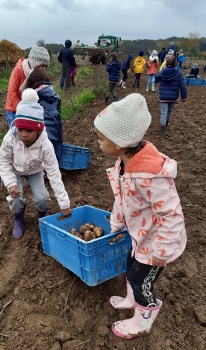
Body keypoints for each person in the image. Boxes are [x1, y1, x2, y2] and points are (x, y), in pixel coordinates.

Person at [93, 93, 186, 339]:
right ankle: (131, 300)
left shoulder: (149, 176)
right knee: (130, 267)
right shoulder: (123, 165)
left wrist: (162, 250)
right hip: (140, 236)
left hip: (157, 243)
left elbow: (171, 213)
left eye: (102, 138)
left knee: (141, 280)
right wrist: (115, 222)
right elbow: (121, 199)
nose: (98, 142)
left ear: (120, 143)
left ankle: (144, 317)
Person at [0, 88, 71, 239]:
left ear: (39, 129)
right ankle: (18, 218)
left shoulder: (45, 145)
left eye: (29, 131)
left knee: (42, 198)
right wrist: (11, 183)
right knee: (15, 199)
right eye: (21, 129)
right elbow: (3, 159)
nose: (23, 134)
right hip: (15, 170)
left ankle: (42, 213)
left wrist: (64, 204)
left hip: (35, 170)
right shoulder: (11, 138)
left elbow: (54, 173)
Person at [5, 40, 50, 127]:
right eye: (43, 66)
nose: (44, 69)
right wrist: (21, 109)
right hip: (14, 109)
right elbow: (12, 91)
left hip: (28, 109)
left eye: (46, 66)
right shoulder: (19, 70)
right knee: (18, 134)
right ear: (35, 63)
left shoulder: (37, 74)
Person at [24, 70, 63, 160]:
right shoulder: (55, 96)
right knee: (53, 162)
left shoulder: (33, 98)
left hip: (43, 138)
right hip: (57, 135)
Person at [155, 55, 187, 135]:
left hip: (163, 96)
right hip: (173, 97)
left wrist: (156, 81)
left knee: (163, 112)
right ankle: (166, 123)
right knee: (169, 111)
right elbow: (183, 86)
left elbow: (156, 78)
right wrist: (183, 97)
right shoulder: (178, 73)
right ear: (175, 63)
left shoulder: (162, 71)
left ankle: (162, 128)